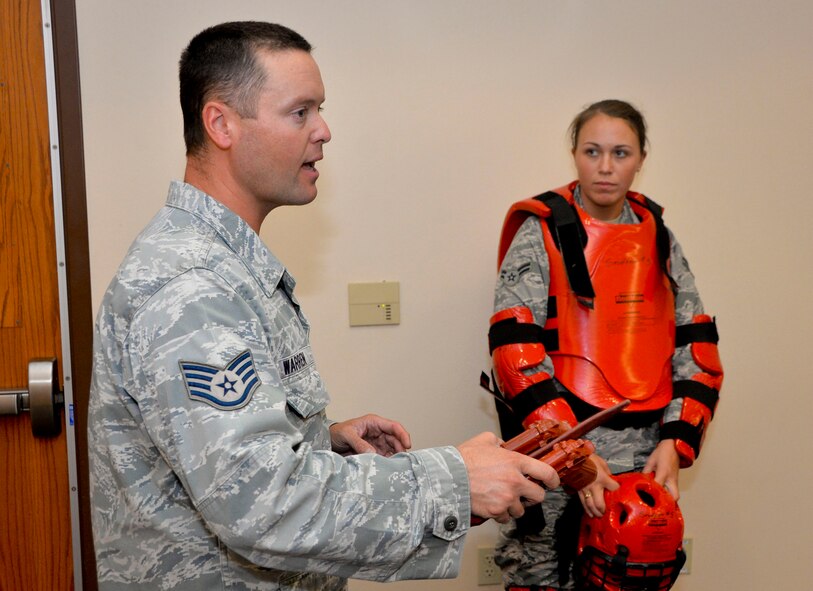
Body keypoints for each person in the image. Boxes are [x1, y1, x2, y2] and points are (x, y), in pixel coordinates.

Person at [87, 21, 560, 591]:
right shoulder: (193, 287)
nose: (324, 130)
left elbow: (223, 455)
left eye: (320, 109)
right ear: (221, 124)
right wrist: (454, 479)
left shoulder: (223, 264)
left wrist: (319, 438)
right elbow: (260, 505)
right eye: (300, 111)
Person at [487, 99, 723, 590]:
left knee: (630, 574)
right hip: (555, 446)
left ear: (641, 158)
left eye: (621, 153)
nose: (606, 167)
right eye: (593, 151)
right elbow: (516, 351)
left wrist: (674, 444)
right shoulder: (543, 230)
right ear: (574, 153)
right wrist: (575, 453)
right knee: (539, 573)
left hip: (644, 447)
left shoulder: (657, 235)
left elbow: (696, 346)